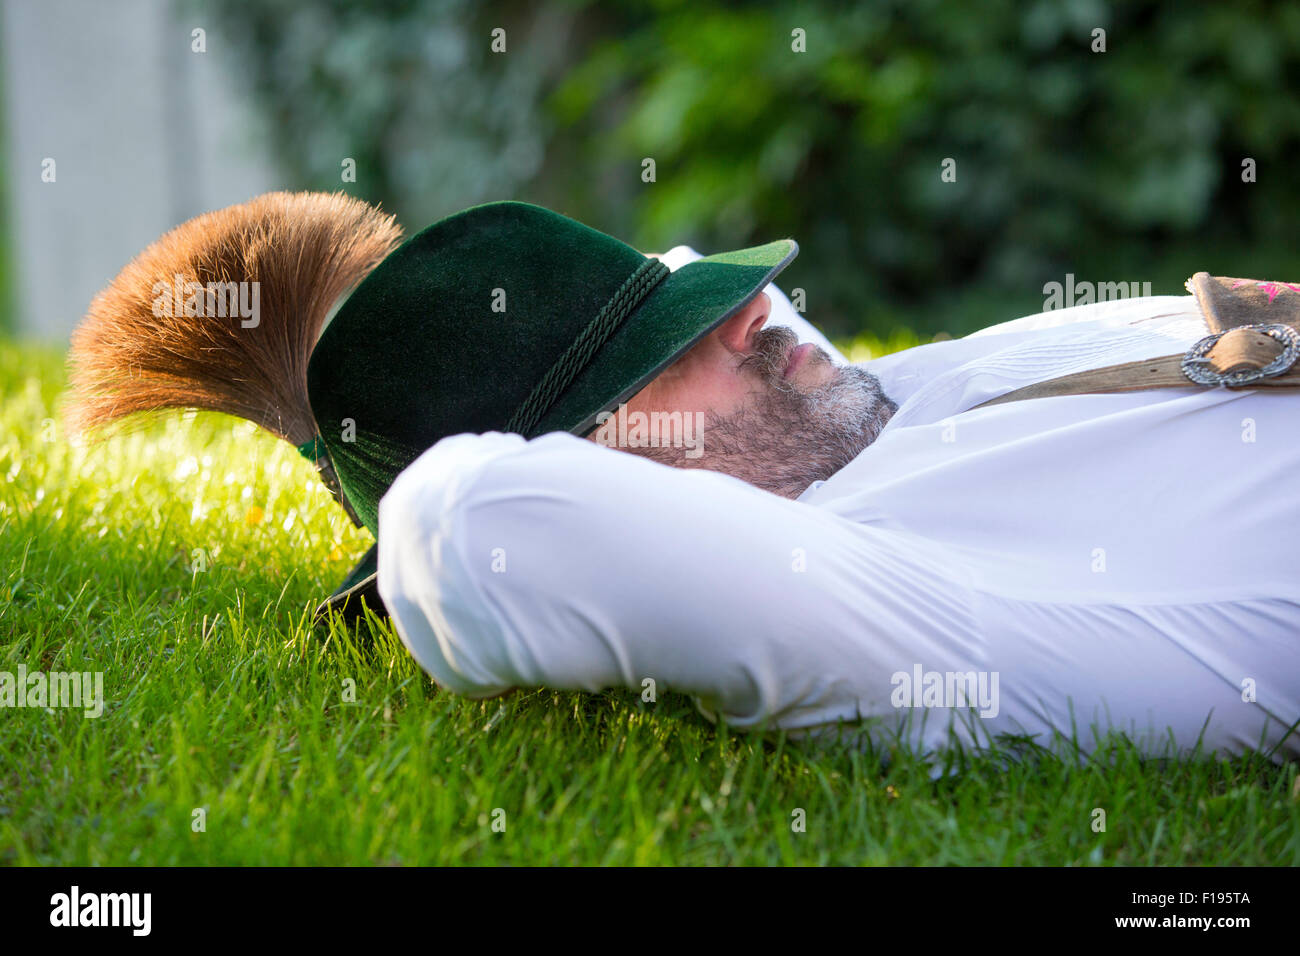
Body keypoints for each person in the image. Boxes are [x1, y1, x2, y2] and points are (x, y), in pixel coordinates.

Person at [68, 192, 1300, 762]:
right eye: (650, 355)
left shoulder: (913, 393)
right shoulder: (898, 602)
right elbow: (483, 521)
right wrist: (396, 531)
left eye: (690, 292)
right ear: (611, 475)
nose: (753, 309)